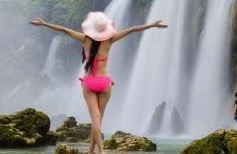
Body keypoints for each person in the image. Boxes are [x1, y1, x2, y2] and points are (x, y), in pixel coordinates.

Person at [30, 12, 167, 154]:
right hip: (105, 82)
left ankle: (97, 151)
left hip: (89, 82)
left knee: (95, 119)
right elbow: (132, 29)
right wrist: (153, 25)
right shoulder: (110, 39)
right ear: (106, 30)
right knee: (98, 120)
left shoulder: (85, 39)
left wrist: (44, 24)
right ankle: (95, 151)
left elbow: (64, 30)